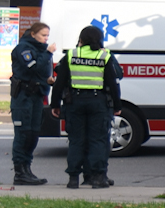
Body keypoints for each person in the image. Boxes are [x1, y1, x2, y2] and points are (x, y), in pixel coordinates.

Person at [50, 24, 123, 188]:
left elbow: (59, 83)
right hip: (98, 102)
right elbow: (113, 83)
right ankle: (97, 177)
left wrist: (55, 104)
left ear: (81, 39)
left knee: (76, 140)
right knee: (98, 140)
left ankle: (73, 178)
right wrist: (117, 105)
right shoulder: (104, 56)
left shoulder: (71, 55)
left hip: (75, 101)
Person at [10, 21, 55, 186]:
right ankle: (19, 172)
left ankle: (27, 169)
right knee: (23, 134)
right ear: (33, 34)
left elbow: (41, 72)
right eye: (43, 35)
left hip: (37, 96)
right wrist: (48, 53)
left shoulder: (40, 50)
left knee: (33, 134)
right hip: (23, 97)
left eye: (47, 36)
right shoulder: (24, 48)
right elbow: (32, 68)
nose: (46, 39)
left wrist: (48, 80)